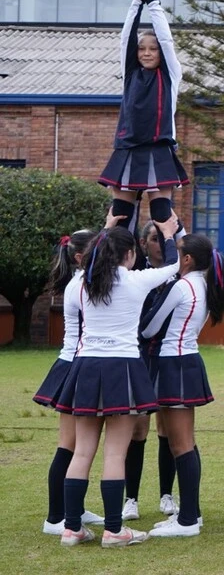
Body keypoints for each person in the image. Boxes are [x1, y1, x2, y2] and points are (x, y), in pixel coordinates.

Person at [54, 216, 181, 547]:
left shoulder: (81, 282)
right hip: (122, 367)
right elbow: (174, 266)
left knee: (82, 451)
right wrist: (168, 234)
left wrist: (108, 227)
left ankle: (71, 529)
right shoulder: (136, 280)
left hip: (84, 366)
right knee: (114, 452)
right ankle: (113, 530)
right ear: (129, 254)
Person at [139, 233, 224, 538]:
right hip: (186, 361)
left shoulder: (183, 285)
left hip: (173, 363)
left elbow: (150, 327)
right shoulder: (204, 284)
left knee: (181, 444)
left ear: (187, 259)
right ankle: (192, 513)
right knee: (185, 442)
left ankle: (188, 520)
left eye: (177, 253)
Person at [97, 0, 188, 230]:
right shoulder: (130, 74)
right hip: (128, 149)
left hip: (158, 150)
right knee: (121, 218)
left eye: (153, 49)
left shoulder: (170, 75)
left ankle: (170, 265)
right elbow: (126, 37)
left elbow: (167, 41)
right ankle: (118, 267)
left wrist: (153, 3)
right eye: (142, 49)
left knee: (162, 216)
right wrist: (137, 1)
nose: (147, 53)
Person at [36, 229, 105, 535]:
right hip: (73, 365)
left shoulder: (80, 279)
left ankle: (72, 509)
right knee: (69, 445)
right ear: (81, 256)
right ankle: (55, 518)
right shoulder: (82, 283)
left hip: (75, 365)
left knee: (78, 445)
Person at [125, 221, 181, 523]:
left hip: (170, 355)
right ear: (143, 244)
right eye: (153, 238)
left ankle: (166, 494)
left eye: (163, 239)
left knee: (168, 428)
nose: (159, 243)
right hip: (141, 353)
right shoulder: (137, 276)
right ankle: (130, 498)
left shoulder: (179, 276)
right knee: (137, 427)